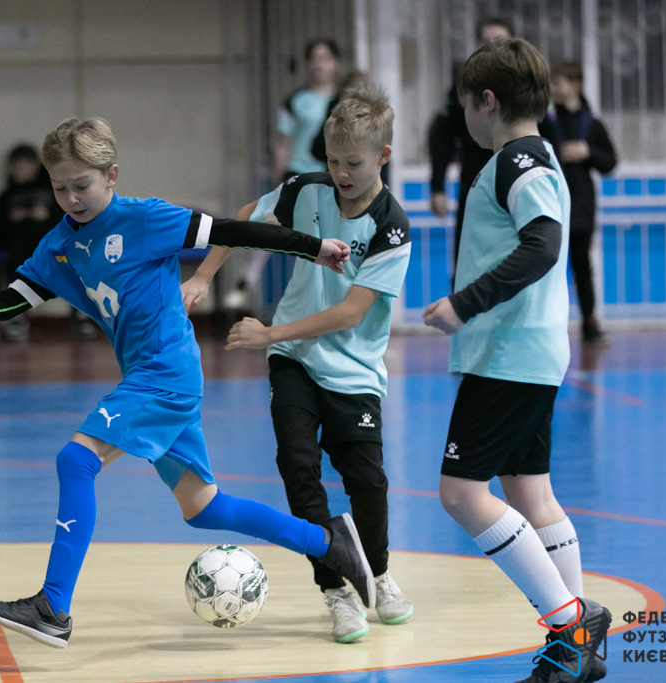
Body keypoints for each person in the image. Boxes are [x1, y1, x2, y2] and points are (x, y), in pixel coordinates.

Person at [0, 117, 376, 648]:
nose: (71, 199)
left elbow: (233, 230)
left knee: (76, 459)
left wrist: (313, 247)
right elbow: (12, 300)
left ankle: (52, 608)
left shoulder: (145, 219)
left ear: (111, 175)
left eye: (81, 186)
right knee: (206, 508)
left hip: (165, 373)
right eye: (59, 188)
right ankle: (328, 541)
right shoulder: (59, 245)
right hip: (151, 377)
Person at [182, 85, 414, 643]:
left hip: (353, 371)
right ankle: (335, 590)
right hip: (294, 361)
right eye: (332, 161)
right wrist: (204, 275)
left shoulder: (391, 226)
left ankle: (378, 573)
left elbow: (352, 312)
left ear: (383, 155)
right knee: (298, 466)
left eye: (353, 162)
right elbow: (245, 217)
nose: (341, 173)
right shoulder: (307, 189)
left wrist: (268, 333)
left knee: (367, 481)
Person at [422, 39, 610, 683]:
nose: (462, 117)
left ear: (487, 101)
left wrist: (464, 303)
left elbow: (544, 244)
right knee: (530, 491)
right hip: (528, 351)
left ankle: (570, 623)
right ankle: (577, 650)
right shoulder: (534, 155)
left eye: (463, 104)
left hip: (509, 354)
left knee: (460, 494)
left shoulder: (517, 160)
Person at [224, 38, 343, 312]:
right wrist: (277, 179)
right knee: (271, 224)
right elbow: (283, 142)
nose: (319, 65)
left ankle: (327, 302)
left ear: (335, 63)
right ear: (307, 64)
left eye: (325, 59)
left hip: (329, 179)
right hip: (298, 174)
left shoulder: (343, 101)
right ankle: (246, 281)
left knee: (324, 238)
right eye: (314, 59)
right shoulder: (295, 101)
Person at [540, 62, 618, 347]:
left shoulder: (592, 124)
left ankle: (589, 324)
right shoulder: (546, 122)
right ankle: (546, 327)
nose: (554, 89)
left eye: (559, 83)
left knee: (582, 266)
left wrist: (588, 152)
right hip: (551, 203)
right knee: (548, 267)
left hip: (581, 206)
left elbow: (610, 162)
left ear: (576, 85)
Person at [427, 17, 513, 272]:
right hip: (474, 184)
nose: (493, 49)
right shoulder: (466, 85)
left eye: (499, 42)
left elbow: (549, 137)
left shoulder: (524, 86)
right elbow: (441, 136)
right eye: (487, 43)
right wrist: (437, 187)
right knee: (467, 265)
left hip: (515, 183)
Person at [0, 143, 96, 341]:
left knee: (75, 259)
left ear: (35, 166)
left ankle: (82, 315)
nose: (20, 171)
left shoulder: (55, 191)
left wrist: (47, 216)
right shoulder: (7, 196)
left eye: (24, 165)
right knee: (17, 262)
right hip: (21, 248)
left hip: (53, 244)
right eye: (16, 166)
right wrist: (12, 219)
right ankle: (18, 315)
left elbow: (72, 219)